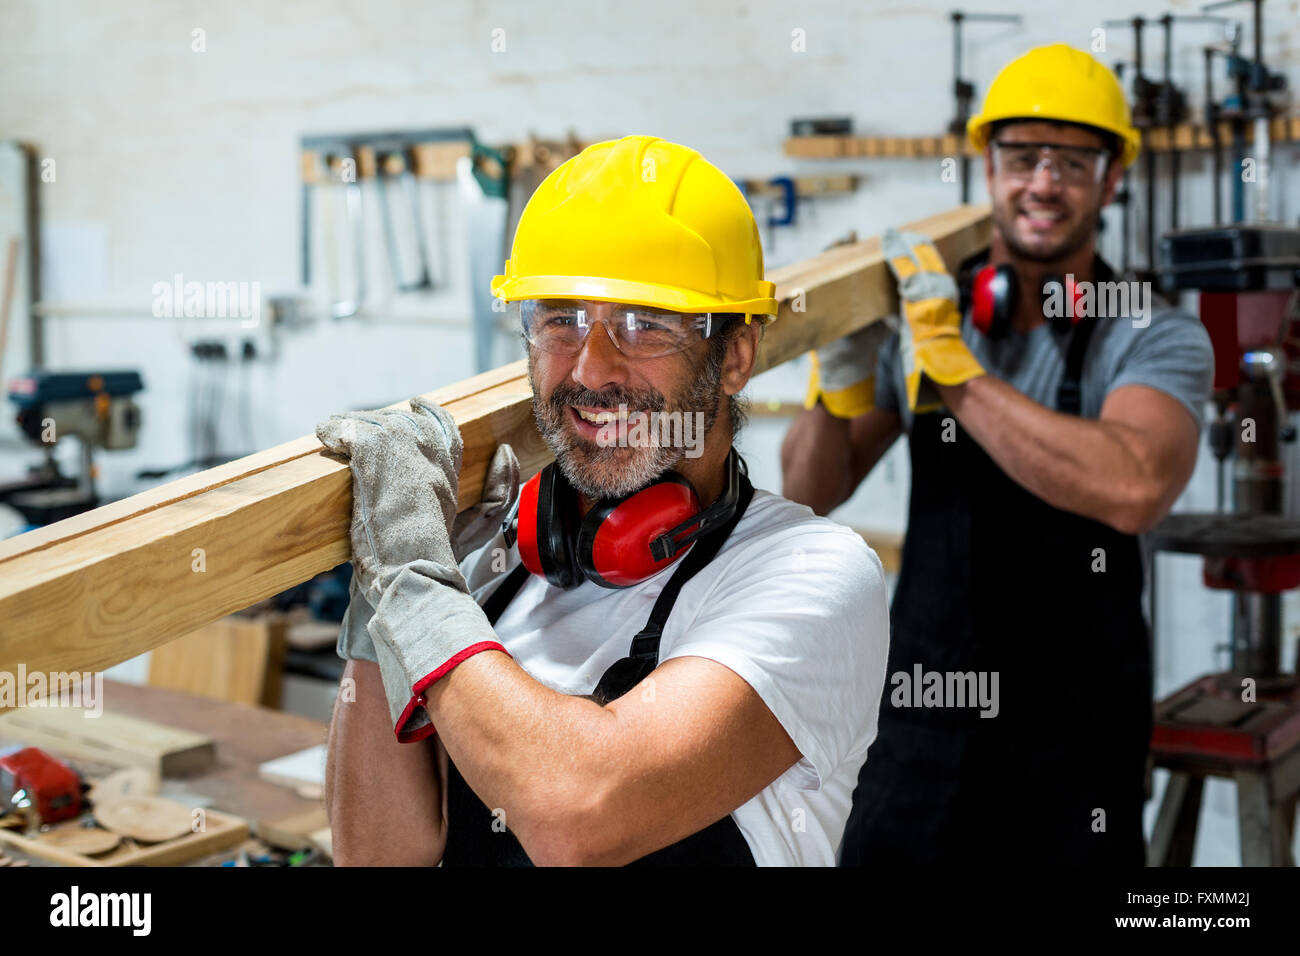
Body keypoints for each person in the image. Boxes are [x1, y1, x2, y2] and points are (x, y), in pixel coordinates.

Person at [320, 135, 889, 866]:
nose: (591, 368)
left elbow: (576, 816)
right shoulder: (491, 556)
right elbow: (377, 857)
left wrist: (415, 585)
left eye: (644, 323)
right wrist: (383, 604)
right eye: (561, 319)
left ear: (736, 355)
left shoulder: (815, 574)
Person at [782, 45, 1213, 865]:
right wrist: (836, 379)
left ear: (1111, 178)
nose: (1043, 183)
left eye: (1072, 162)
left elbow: (1133, 486)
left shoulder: (1153, 333)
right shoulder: (929, 311)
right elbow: (813, 488)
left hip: (1074, 738)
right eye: (1022, 158)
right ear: (989, 167)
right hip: (922, 719)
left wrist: (957, 370)